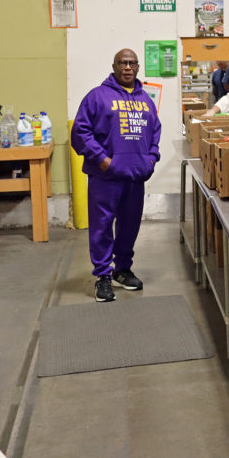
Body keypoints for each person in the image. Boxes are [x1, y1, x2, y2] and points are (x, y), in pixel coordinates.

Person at [71, 49, 162, 302]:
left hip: (135, 178)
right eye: (122, 63)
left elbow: (155, 131)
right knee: (101, 227)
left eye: (132, 63)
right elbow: (80, 132)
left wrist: (151, 158)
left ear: (138, 67)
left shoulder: (146, 100)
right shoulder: (97, 97)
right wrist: (102, 160)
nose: (127, 67)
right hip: (106, 178)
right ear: (114, 66)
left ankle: (122, 270)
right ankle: (102, 276)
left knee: (130, 226)